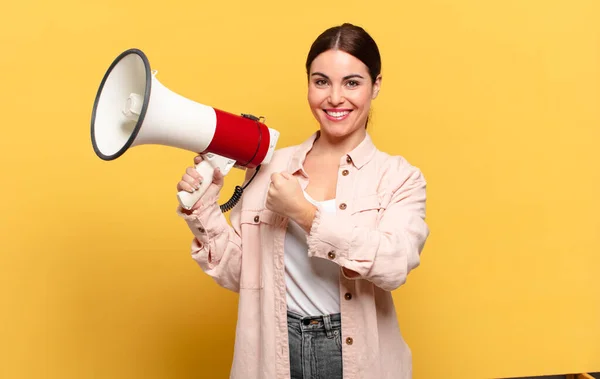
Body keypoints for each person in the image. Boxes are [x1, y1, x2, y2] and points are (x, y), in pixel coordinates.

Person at [176, 23, 429, 379]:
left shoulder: (399, 177)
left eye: (352, 82)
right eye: (321, 81)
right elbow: (242, 275)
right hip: (275, 346)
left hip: (355, 355)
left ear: (376, 86)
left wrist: (304, 213)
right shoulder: (269, 166)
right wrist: (203, 209)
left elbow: (394, 264)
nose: (335, 98)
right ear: (308, 83)